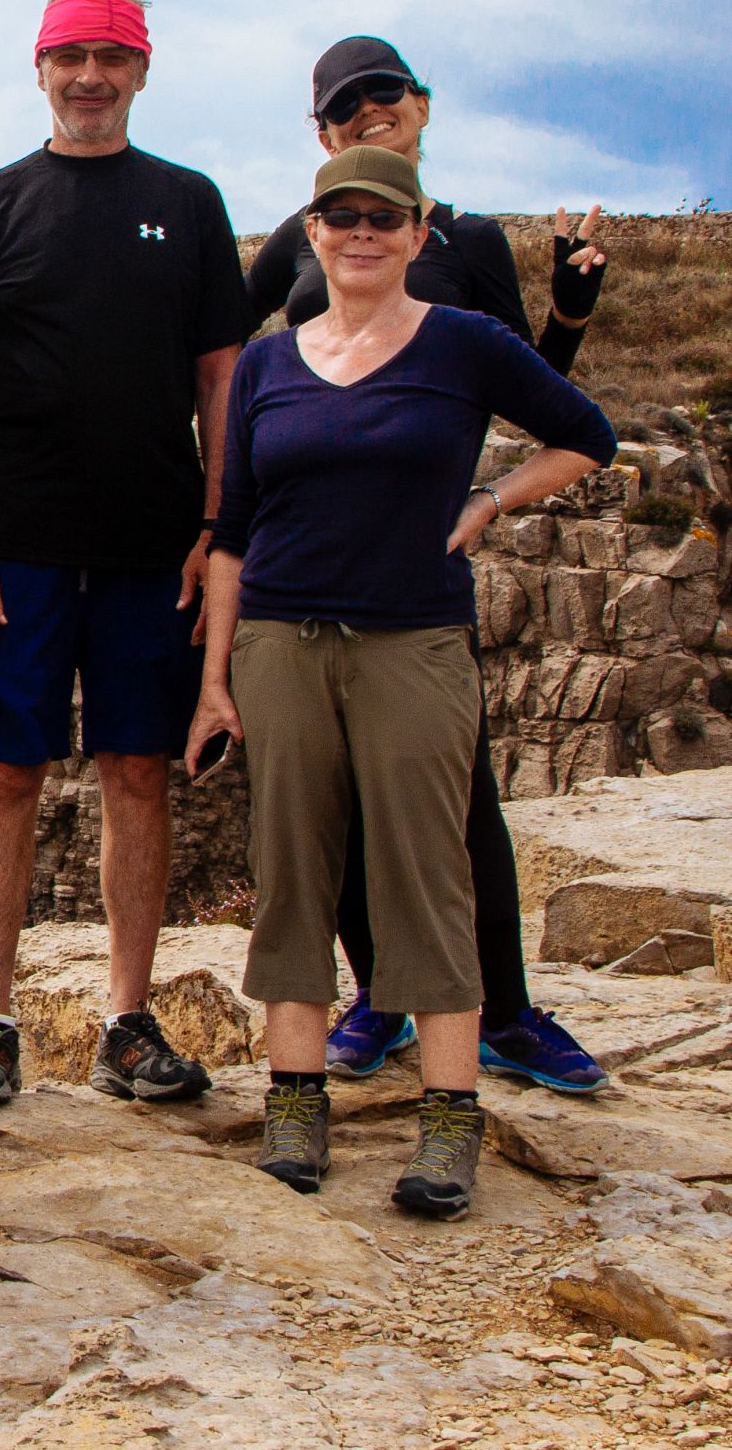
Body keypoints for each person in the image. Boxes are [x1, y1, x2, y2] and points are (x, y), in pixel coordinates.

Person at [187, 144, 613, 1219]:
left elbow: (585, 435)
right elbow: (230, 535)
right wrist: (214, 682)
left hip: (413, 644)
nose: (361, 231)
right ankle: (295, 1102)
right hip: (278, 642)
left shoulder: (462, 344)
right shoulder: (269, 366)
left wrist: (493, 504)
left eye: (384, 216)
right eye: (341, 216)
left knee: (426, 874)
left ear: (418, 236)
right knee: (292, 868)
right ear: (314, 234)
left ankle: (449, 1121)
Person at [0, 0, 251, 1110]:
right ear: (41, 67)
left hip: (154, 546)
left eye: (112, 58)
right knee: (6, 772)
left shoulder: (189, 204)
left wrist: (215, 531)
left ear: (141, 71)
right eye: (72, 58)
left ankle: (127, 1019)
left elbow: (221, 379)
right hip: (11, 553)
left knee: (136, 771)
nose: (91, 78)